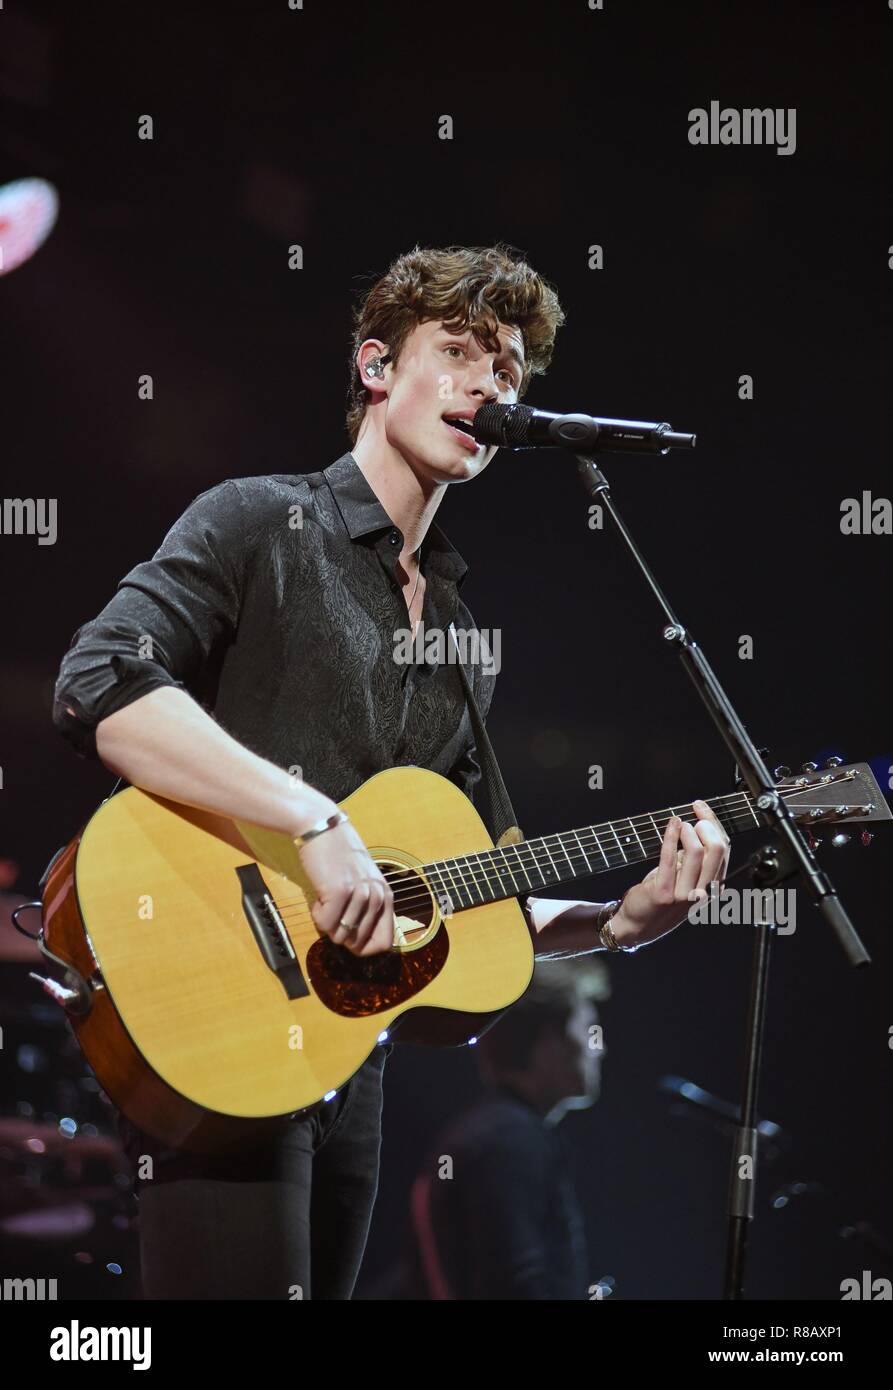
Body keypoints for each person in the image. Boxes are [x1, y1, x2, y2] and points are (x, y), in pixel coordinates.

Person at [52, 242, 730, 1299]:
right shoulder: (258, 521)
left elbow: (473, 887)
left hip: (345, 1060)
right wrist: (315, 825)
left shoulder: (458, 628)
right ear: (375, 368)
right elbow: (97, 682)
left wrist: (615, 923)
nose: (486, 383)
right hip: (215, 1012)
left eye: (505, 368)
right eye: (455, 352)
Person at [394, 959, 610, 1300]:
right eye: (588, 1029)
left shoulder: (488, 1134)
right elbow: (519, 1286)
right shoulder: (510, 1143)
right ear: (549, 1040)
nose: (599, 1048)